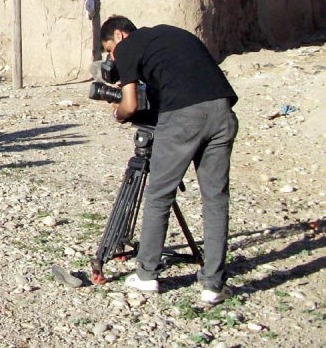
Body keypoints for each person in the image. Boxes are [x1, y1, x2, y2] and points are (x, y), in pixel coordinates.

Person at [100, 16, 239, 304]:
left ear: (119, 35)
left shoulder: (128, 47)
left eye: (110, 49)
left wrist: (118, 113)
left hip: (184, 119)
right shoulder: (171, 35)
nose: (112, 57)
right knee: (215, 199)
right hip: (222, 111)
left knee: (159, 195)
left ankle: (147, 274)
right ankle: (213, 284)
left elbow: (131, 104)